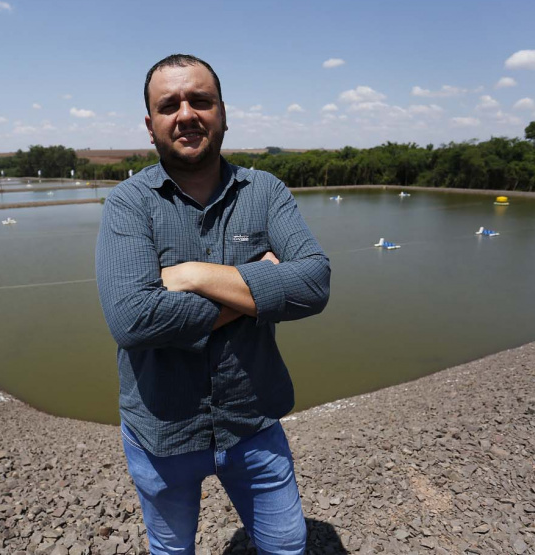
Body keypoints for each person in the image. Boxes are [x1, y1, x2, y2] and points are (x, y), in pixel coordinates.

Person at [95, 54, 330, 554]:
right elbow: (133, 319)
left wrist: (194, 276)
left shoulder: (265, 192)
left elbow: (313, 284)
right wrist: (259, 285)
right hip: (161, 432)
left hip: (253, 422)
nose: (186, 114)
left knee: (287, 546)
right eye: (169, 105)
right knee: (171, 550)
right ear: (150, 125)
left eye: (200, 101)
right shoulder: (128, 203)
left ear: (223, 113)